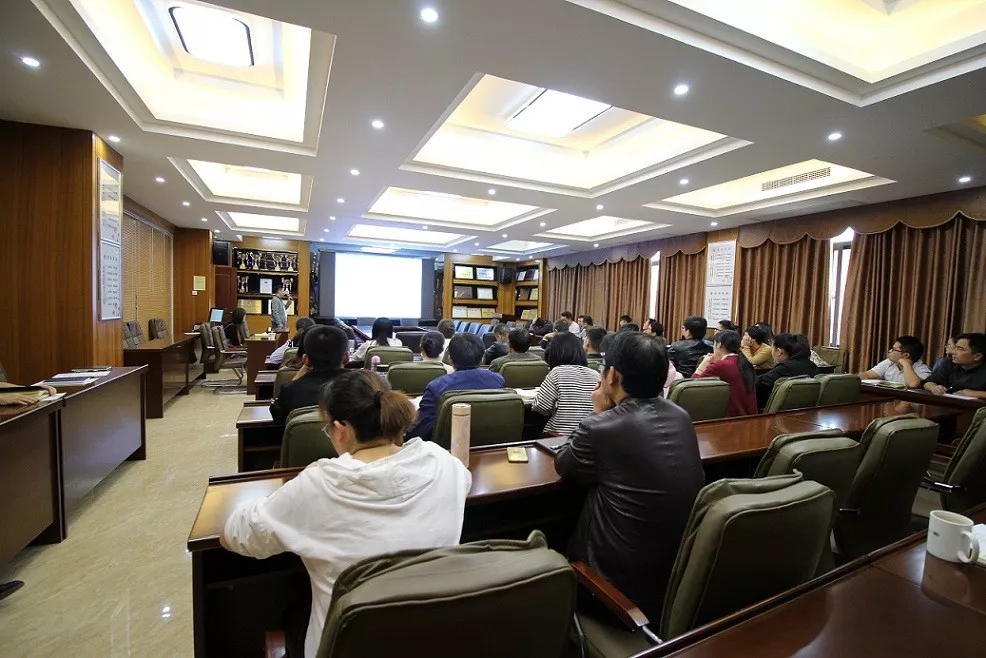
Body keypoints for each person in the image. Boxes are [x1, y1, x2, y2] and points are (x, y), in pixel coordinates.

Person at [222, 370, 471, 658]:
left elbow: (234, 535)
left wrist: (292, 489)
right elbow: (463, 482)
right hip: (429, 638)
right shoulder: (445, 463)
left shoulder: (319, 484)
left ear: (341, 429)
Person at [555, 331, 704, 621]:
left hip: (611, 593)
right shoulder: (681, 416)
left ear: (612, 375)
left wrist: (597, 414)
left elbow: (565, 465)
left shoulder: (601, 428)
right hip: (672, 581)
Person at [407, 333, 505, 439]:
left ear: (450, 359)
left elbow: (419, 431)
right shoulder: (498, 380)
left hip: (447, 447)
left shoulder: (436, 387)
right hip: (491, 443)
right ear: (482, 358)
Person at [270, 326, 348, 424]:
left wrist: (293, 383)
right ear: (347, 357)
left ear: (305, 359)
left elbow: (278, 418)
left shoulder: (290, 392)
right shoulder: (362, 388)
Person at [533, 333, 601, 436]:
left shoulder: (557, 373)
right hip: (589, 437)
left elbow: (540, 407)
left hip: (558, 437)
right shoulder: (596, 375)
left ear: (554, 353)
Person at [692, 329, 758, 416]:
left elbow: (691, 386)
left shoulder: (721, 365)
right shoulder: (743, 361)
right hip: (751, 416)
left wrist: (704, 363)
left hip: (734, 418)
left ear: (719, 345)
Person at [754, 333, 819, 409]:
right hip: (806, 411)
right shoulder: (813, 366)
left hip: (777, 412)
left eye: (772, 349)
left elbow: (758, 383)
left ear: (779, 351)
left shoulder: (785, 368)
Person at [923, 333, 986, 399]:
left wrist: (974, 393)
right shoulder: (948, 363)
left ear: (977, 356)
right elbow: (928, 382)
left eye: (960, 349)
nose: (953, 352)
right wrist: (934, 388)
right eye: (955, 347)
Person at [859, 335, 932, 389]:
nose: (890, 351)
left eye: (894, 349)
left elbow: (913, 384)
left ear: (906, 355)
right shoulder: (889, 362)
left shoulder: (923, 370)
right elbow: (868, 374)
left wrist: (906, 364)